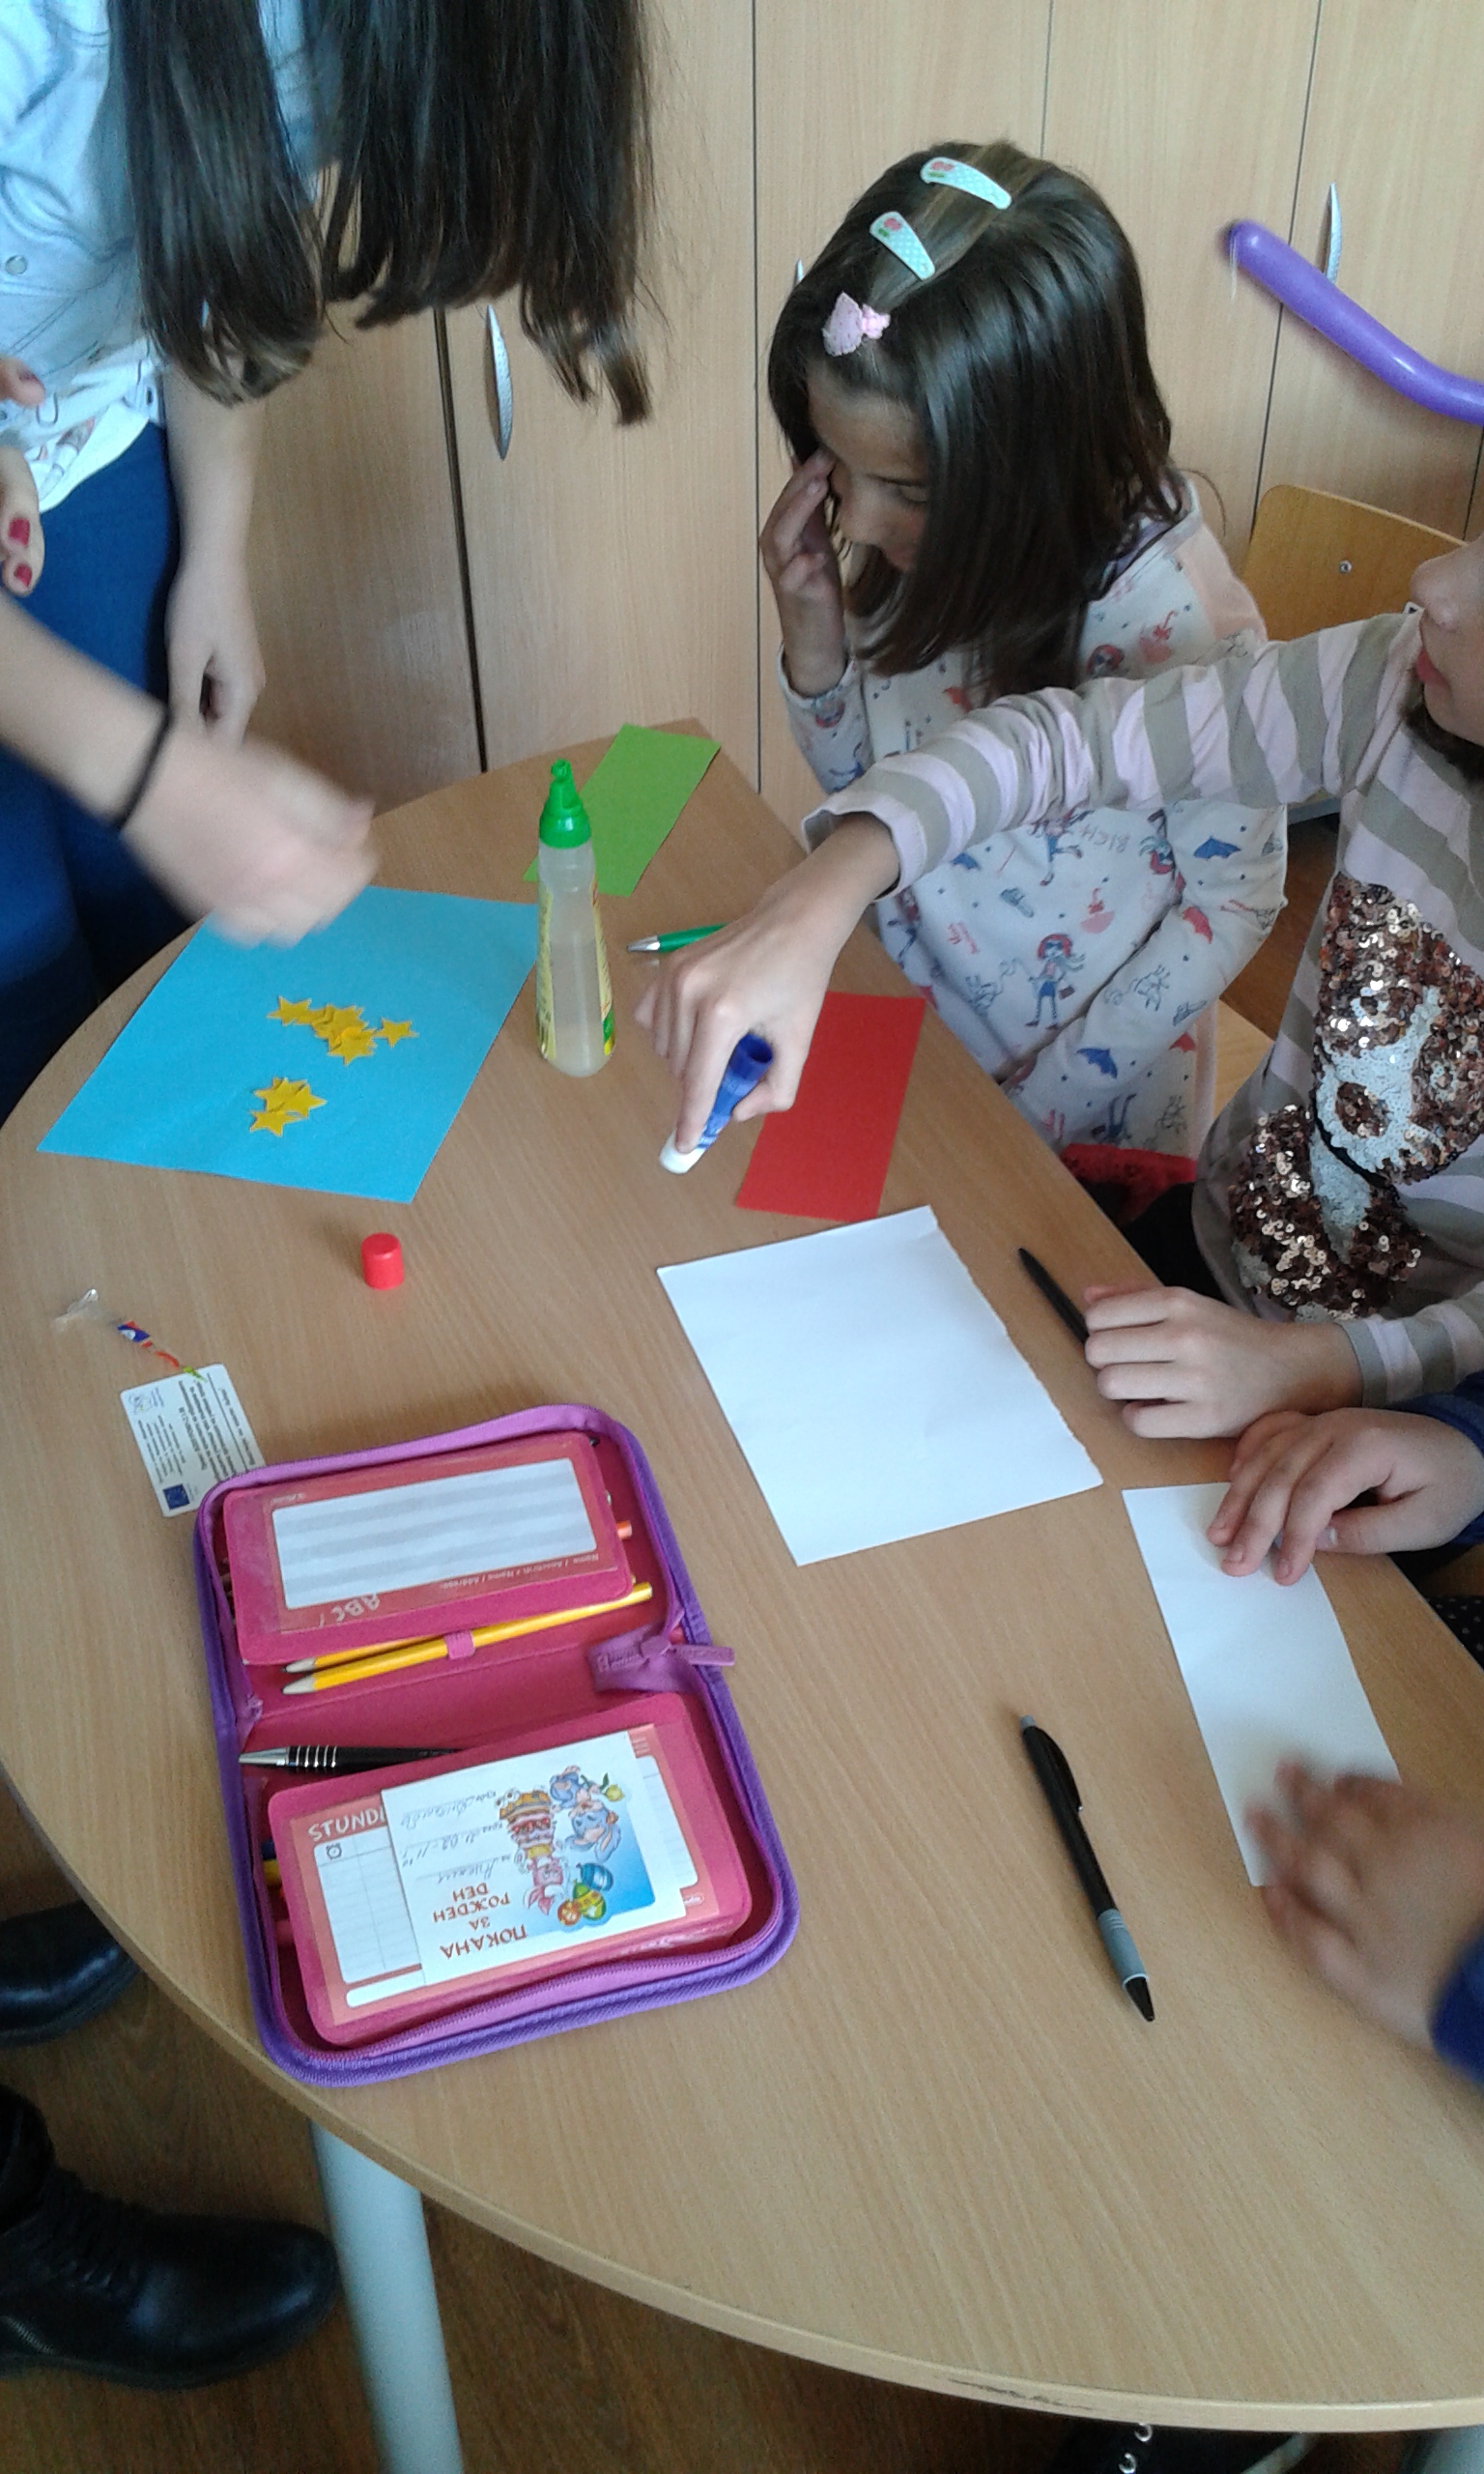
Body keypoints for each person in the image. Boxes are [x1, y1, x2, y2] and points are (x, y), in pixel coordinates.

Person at [0, 0, 655, 2383]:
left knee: (105, 1105)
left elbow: (212, 237)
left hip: (65, 497)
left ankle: (76, 1753)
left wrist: (221, 547)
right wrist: (131, 768)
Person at [649, 456, 1484, 1440]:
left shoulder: (1172, 609)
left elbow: (1230, 897)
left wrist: (1327, 1369)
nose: (1434, 582)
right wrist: (823, 890)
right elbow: (1068, 744)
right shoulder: (1395, 682)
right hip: (1206, 1250)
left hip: (1399, 1401)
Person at [0, 0, 653, 1123]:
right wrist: (152, 778)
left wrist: (216, 552)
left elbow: (221, 246)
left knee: (141, 918)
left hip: (83, 440)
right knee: (25, 962)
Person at [643, 141, 1284, 1216]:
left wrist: (1034, 1106)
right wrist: (814, 640)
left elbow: (1235, 902)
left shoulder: (1177, 633)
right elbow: (870, 787)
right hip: (906, 1040)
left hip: (1081, 1129)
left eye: (906, 488)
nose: (858, 522)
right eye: (836, 468)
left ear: (1032, 467)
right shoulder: (921, 551)